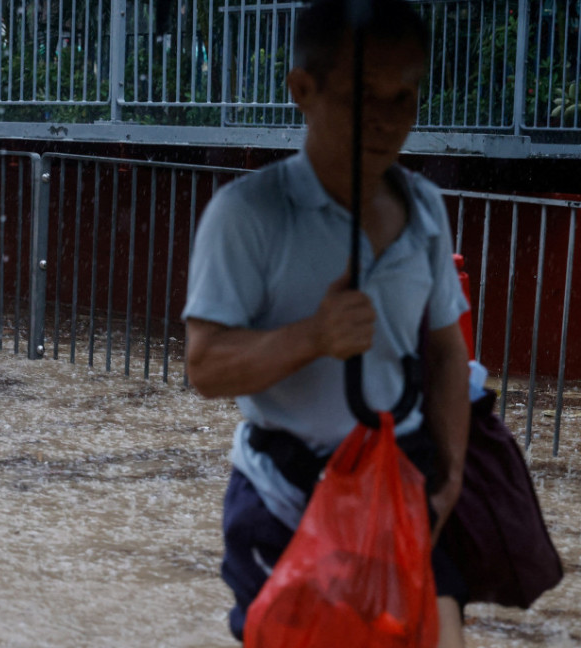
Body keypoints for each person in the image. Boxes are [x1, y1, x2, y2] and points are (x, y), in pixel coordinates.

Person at [182, 0, 471, 645]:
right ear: (303, 91)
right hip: (284, 496)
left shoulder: (422, 206)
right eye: (366, 96)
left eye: (407, 95)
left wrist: (450, 474)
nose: (390, 121)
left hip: (402, 483)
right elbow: (204, 365)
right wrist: (311, 337)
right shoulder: (246, 215)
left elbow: (449, 350)